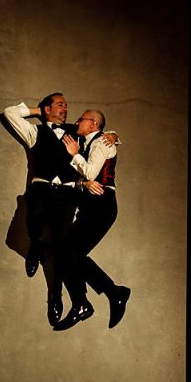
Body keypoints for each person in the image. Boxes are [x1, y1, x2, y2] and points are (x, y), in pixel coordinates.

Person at [1, 94, 83, 326]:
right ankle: (35, 246)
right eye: (60, 104)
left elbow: (99, 132)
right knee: (33, 221)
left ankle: (55, 295)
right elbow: (10, 113)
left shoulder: (75, 131)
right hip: (41, 189)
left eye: (67, 105)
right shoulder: (35, 132)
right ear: (47, 108)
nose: (65, 108)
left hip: (67, 194)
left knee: (59, 247)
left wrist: (111, 135)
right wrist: (38, 111)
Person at [51, 109, 130, 330]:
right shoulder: (89, 142)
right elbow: (85, 178)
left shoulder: (101, 143)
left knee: (68, 252)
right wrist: (82, 183)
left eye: (81, 119)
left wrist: (74, 154)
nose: (76, 121)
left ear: (93, 124)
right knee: (68, 253)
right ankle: (109, 294)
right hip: (91, 207)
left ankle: (86, 302)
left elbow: (91, 171)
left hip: (101, 206)